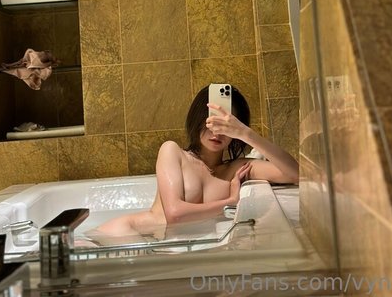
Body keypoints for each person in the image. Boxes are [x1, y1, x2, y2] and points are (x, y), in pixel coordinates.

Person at [90, 85, 299, 241]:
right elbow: (175, 215)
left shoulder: (236, 169)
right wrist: (231, 201)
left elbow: (296, 174)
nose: (217, 131)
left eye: (226, 124)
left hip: (167, 248)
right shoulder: (173, 152)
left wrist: (246, 134)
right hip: (126, 235)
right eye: (211, 120)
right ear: (197, 119)